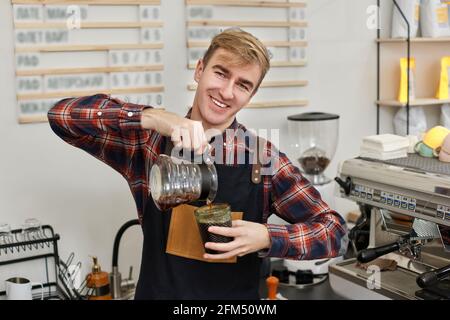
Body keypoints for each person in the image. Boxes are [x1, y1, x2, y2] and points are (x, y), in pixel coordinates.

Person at [48, 28, 347, 300]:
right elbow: (61, 118)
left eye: (242, 85)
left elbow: (335, 231)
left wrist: (268, 236)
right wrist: (149, 116)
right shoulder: (148, 143)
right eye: (220, 73)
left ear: (251, 95)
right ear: (199, 70)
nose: (227, 92)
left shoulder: (262, 159)